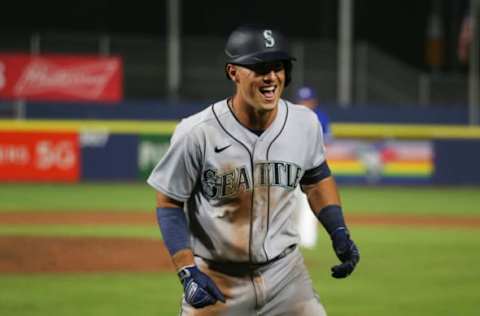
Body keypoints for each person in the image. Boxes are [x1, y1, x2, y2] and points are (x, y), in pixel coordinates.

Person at [147, 24, 360, 316]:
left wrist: (338, 230)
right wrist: (187, 271)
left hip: (287, 275)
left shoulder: (304, 123)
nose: (271, 76)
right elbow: (169, 202)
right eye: (260, 68)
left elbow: (316, 179)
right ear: (233, 72)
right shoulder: (197, 132)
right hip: (217, 278)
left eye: (278, 67)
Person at [294, 86, 332, 249]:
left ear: (314, 102)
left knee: (310, 203)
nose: (305, 104)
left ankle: (307, 240)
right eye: (302, 101)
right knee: (288, 203)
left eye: (307, 100)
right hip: (292, 168)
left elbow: (327, 141)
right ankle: (290, 240)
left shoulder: (320, 118)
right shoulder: (290, 117)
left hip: (311, 168)